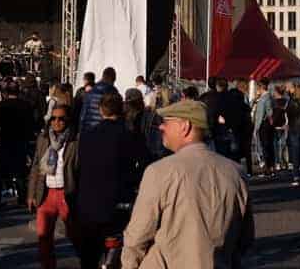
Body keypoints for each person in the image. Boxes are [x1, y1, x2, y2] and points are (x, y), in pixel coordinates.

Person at [121, 99, 254, 268]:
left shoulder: (159, 172)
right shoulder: (236, 172)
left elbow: (138, 235)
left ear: (185, 126)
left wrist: (128, 265)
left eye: (166, 122)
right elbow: (245, 238)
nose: (161, 127)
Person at [74, 91, 146, 268]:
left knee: (89, 254)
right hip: (118, 200)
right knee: (116, 251)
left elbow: (79, 167)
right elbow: (141, 163)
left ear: (101, 110)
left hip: (89, 202)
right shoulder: (128, 135)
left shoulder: (87, 136)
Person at [27, 103, 79, 269]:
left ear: (68, 120)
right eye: (53, 119)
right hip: (46, 194)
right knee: (44, 238)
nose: (57, 122)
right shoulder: (43, 139)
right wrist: (31, 194)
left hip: (67, 193)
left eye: (61, 119)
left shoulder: (75, 141)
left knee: (76, 237)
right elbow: (35, 167)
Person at [0, 83, 36, 202]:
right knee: (20, 171)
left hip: (6, 140)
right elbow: (30, 124)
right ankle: (22, 197)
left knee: (0, 171)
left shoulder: (2, 105)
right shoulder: (26, 105)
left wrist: (0, 138)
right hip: (20, 141)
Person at [78, 66, 118, 133]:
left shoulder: (90, 92)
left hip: (88, 129)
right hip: (103, 130)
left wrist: (81, 131)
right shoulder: (112, 92)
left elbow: (83, 114)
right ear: (113, 79)